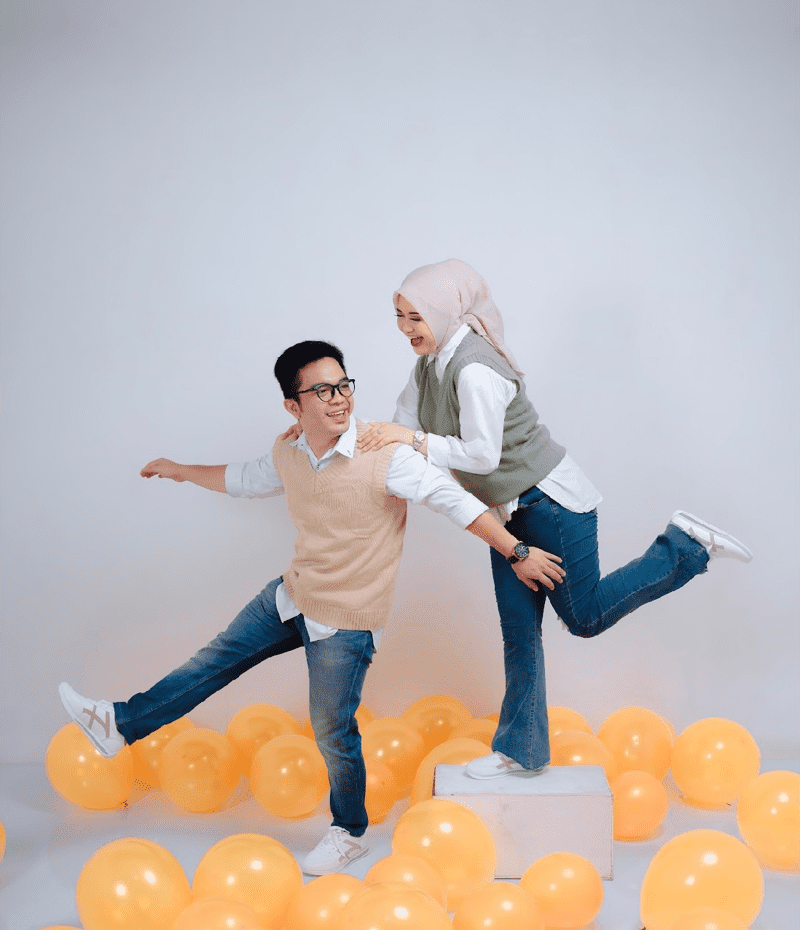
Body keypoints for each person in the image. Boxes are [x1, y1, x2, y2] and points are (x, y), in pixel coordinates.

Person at [58, 339, 565, 876]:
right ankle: (119, 724)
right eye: (322, 390)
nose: (339, 398)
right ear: (293, 406)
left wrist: (518, 551)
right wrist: (181, 469)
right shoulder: (290, 452)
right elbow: (244, 478)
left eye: (343, 385)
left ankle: (349, 831)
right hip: (292, 596)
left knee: (331, 731)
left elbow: (455, 502)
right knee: (210, 663)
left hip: (345, 622)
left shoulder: (386, 457)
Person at [357, 259, 753, 781]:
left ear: (446, 311)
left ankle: (684, 545)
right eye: (399, 315)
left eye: (416, 317)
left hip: (551, 503)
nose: (405, 328)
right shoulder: (428, 366)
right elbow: (398, 427)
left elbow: (479, 455)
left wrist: (408, 439)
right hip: (506, 516)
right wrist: (344, 439)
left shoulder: (474, 370)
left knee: (584, 618)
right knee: (519, 635)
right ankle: (521, 751)